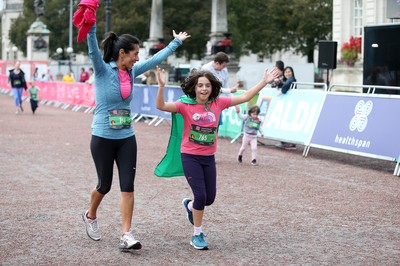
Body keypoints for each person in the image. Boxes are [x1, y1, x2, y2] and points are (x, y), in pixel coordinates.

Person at [81, 20, 190, 251]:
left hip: (126, 137)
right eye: (135, 54)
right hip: (102, 135)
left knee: (128, 186)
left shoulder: (131, 72)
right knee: (104, 185)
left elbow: (154, 60)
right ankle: (90, 215)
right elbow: (91, 46)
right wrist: (90, 23)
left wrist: (175, 43)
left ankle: (126, 234)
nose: (138, 58)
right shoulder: (102, 69)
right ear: (122, 53)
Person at [155, 65, 279, 250]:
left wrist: (264, 82)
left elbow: (245, 97)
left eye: (207, 85)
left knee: (209, 198)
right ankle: (197, 235)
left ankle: (190, 207)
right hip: (190, 156)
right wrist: (162, 86)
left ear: (212, 87)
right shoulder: (184, 105)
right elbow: (161, 106)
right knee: (201, 195)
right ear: (194, 88)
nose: (204, 89)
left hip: (208, 158)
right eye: (200, 85)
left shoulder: (218, 103)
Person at [275, 66, 297, 150]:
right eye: (286, 72)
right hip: (286, 105)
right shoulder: (283, 80)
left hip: (291, 105)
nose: (288, 73)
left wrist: (282, 91)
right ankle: (284, 142)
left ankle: (291, 143)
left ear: (292, 72)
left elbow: (288, 84)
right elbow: (274, 85)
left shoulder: (292, 79)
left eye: (289, 71)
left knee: (290, 122)